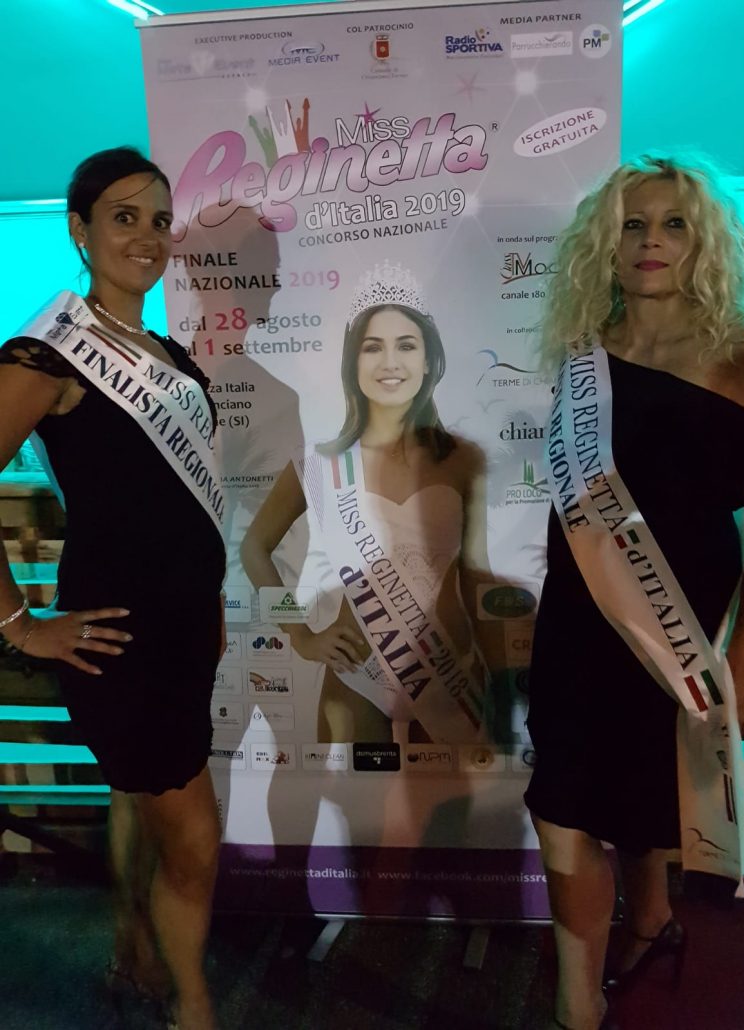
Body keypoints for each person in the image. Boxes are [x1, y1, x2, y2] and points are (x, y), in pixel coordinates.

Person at [524, 154, 744, 1030]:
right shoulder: (584, 356)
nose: (650, 241)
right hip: (575, 623)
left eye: (672, 224)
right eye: (632, 224)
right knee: (562, 808)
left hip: (680, 632)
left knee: (639, 802)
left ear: (702, 241)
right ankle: (576, 1004)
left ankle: (652, 920)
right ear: (606, 241)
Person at [0, 148, 226, 1030]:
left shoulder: (169, 355)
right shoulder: (49, 355)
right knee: (194, 839)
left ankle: (135, 949)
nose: (146, 236)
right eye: (123, 216)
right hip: (118, 638)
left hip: (183, 630)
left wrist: (208, 605)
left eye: (159, 219)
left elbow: (177, 505)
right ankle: (192, 1006)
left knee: (140, 798)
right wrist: (20, 624)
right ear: (80, 231)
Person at [241, 262, 499, 745]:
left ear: (429, 361)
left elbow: (476, 573)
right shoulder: (319, 463)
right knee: (355, 799)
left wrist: (501, 671)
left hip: (450, 677)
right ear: (353, 363)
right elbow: (254, 548)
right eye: (372, 347)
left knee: (450, 800)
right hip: (356, 679)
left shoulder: (463, 460)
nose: (390, 362)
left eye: (407, 346)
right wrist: (300, 635)